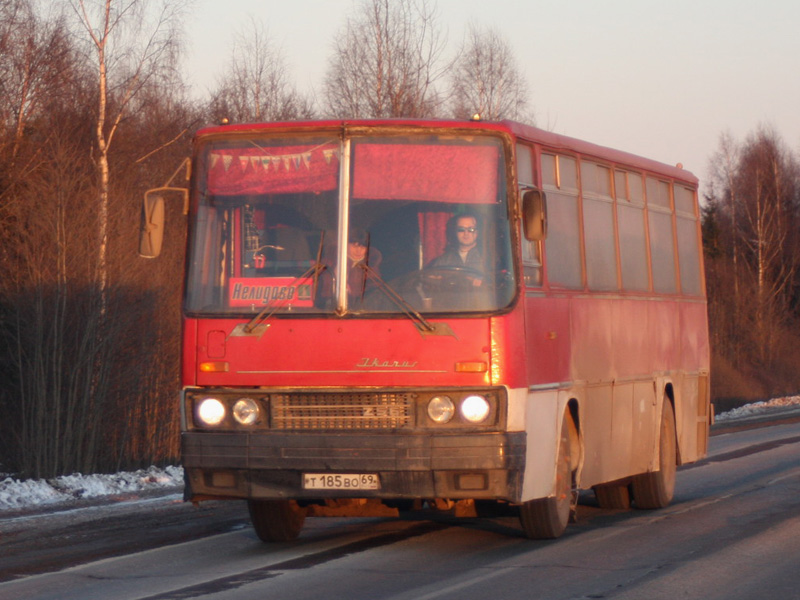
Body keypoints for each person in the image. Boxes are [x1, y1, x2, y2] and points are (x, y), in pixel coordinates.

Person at [430, 213, 485, 286]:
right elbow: (430, 282)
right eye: (461, 229)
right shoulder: (444, 260)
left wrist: (483, 283)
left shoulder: (487, 257)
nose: (466, 233)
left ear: (477, 232)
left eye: (471, 229)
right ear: (455, 232)